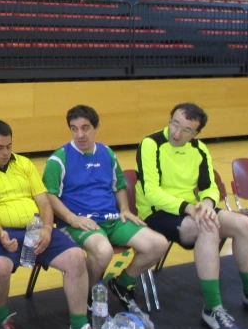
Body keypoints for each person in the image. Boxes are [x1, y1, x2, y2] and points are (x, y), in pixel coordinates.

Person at [136, 102, 248, 329]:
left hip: (193, 209)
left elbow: (209, 186)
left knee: (243, 225)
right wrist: (191, 209)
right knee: (208, 228)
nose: (178, 133)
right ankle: (213, 309)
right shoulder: (150, 143)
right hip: (158, 212)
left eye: (187, 130)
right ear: (169, 119)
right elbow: (151, 191)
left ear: (196, 133)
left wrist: (207, 204)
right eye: (175, 123)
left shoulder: (199, 149)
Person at [0, 120, 100, 329]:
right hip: (0, 233)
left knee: (75, 257)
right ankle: (2, 321)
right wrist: (0, 234)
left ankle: (79, 328)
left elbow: (43, 201)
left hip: (35, 229)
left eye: (9, 146)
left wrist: (48, 229)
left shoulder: (25, 163)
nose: (5, 152)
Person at [44, 105, 169, 310]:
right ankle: (88, 291)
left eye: (85, 128)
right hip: (80, 222)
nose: (80, 134)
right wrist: (73, 219)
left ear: (96, 127)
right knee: (104, 251)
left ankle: (121, 283)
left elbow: (118, 185)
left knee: (158, 244)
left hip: (112, 219)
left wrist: (125, 209)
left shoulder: (107, 153)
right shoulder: (59, 159)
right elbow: (50, 196)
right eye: (74, 129)